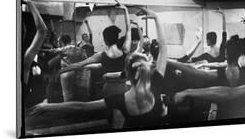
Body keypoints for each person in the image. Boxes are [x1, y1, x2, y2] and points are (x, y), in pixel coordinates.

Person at [29, 7, 167, 129]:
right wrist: (154, 17)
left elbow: (81, 106)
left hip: (110, 89)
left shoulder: (103, 57)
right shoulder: (131, 56)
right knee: (117, 120)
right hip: (121, 87)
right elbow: (162, 48)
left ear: (127, 73)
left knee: (114, 120)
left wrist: (61, 73)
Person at [59, 2, 132, 97]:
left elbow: (78, 65)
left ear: (105, 40)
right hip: (122, 89)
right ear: (117, 38)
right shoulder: (125, 50)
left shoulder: (102, 55)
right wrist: (125, 10)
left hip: (108, 90)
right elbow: (129, 29)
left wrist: (62, 70)